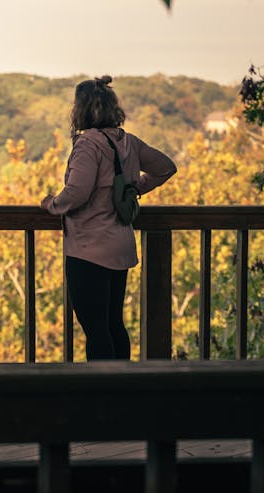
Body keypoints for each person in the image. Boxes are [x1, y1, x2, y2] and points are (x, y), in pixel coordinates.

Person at [41, 76, 177, 361]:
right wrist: (134, 188)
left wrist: (52, 204)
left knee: (95, 328)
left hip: (89, 248)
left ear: (80, 109)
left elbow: (77, 192)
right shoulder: (128, 141)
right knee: (114, 323)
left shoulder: (88, 144)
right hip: (120, 245)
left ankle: (102, 392)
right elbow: (165, 167)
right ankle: (122, 390)